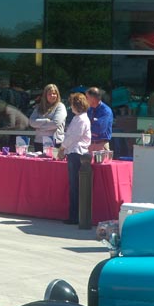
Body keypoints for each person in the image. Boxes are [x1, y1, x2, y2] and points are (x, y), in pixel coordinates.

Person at [57, 93, 91, 225]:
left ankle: (75, 216)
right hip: (75, 152)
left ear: (77, 106)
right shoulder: (79, 118)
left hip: (77, 153)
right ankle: (74, 215)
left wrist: (62, 148)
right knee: (75, 186)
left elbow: (73, 137)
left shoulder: (81, 119)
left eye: (72, 105)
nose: (71, 107)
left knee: (75, 186)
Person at [29, 84, 67, 152]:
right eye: (49, 94)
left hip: (55, 142)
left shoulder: (60, 107)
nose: (52, 95)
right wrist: (46, 120)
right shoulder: (38, 107)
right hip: (39, 142)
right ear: (45, 95)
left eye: (54, 94)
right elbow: (31, 122)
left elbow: (56, 123)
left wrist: (39, 127)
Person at [85, 87, 113, 152]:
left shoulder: (106, 111)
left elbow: (100, 129)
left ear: (93, 98)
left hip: (101, 145)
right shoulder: (89, 110)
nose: (86, 100)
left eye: (87, 97)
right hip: (89, 144)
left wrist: (88, 128)